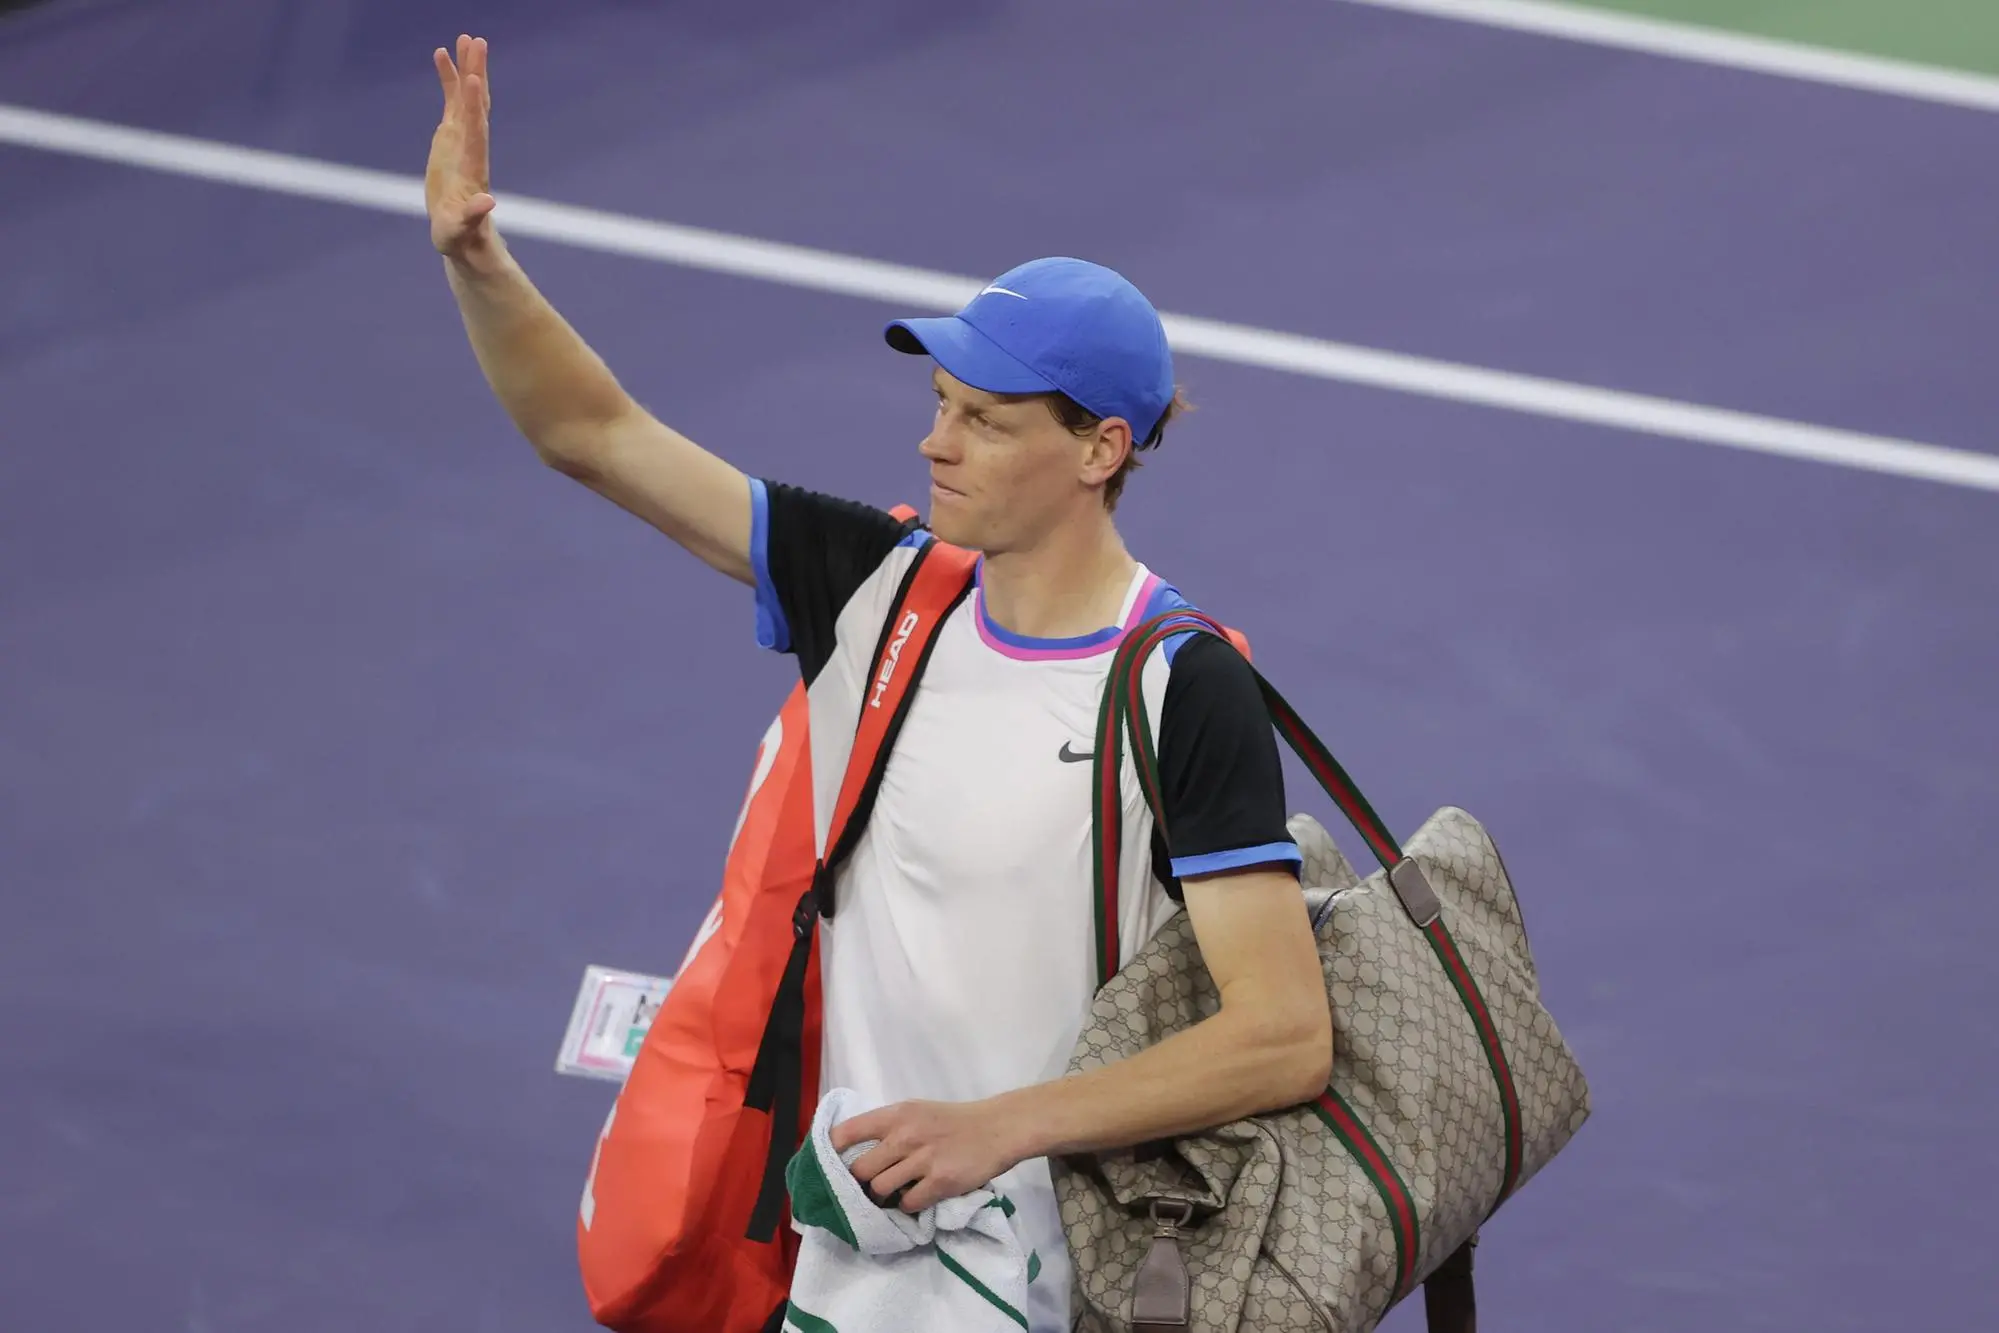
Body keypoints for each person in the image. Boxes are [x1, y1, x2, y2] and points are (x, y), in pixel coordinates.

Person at [426, 35, 1334, 1333]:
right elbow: (592, 434)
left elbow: (1281, 1034)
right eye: (938, 399)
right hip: (851, 1249)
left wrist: (994, 1129)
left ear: (1101, 449)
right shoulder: (873, 590)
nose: (933, 440)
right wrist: (478, 263)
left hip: (1055, 1267)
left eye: (985, 419)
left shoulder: (1180, 690)